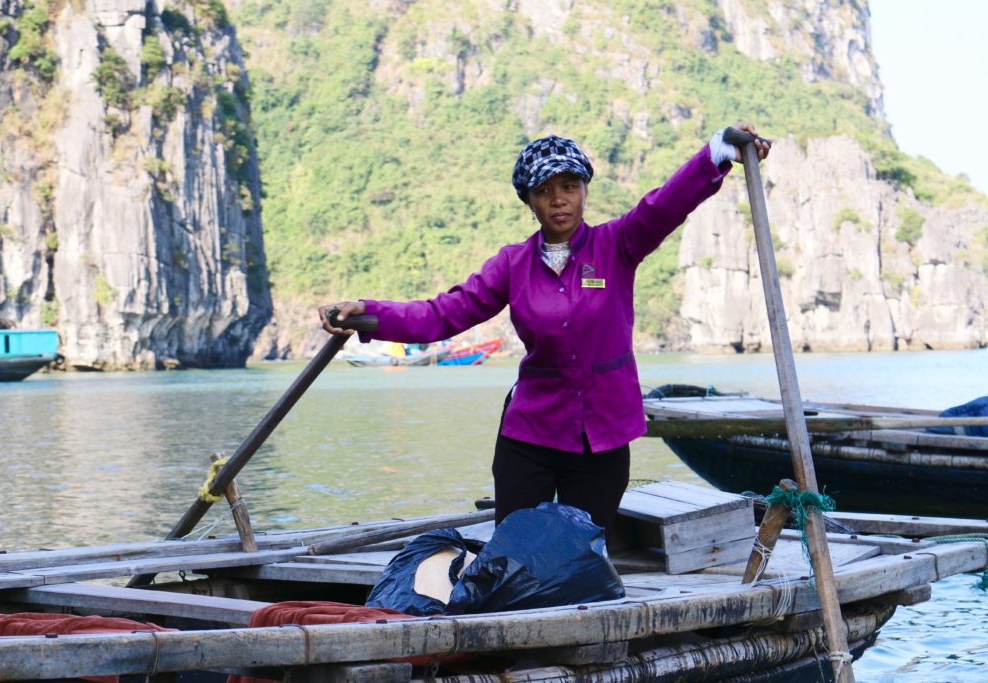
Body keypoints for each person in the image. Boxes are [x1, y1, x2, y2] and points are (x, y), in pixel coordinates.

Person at [320, 122, 770, 538]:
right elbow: (443, 314)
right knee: (516, 551)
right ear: (529, 200)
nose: (559, 199)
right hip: (530, 436)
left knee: (581, 556)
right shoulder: (512, 265)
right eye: (545, 190)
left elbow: (666, 204)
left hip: (603, 438)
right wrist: (368, 313)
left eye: (569, 187)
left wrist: (718, 152)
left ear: (584, 191)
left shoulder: (618, 244)